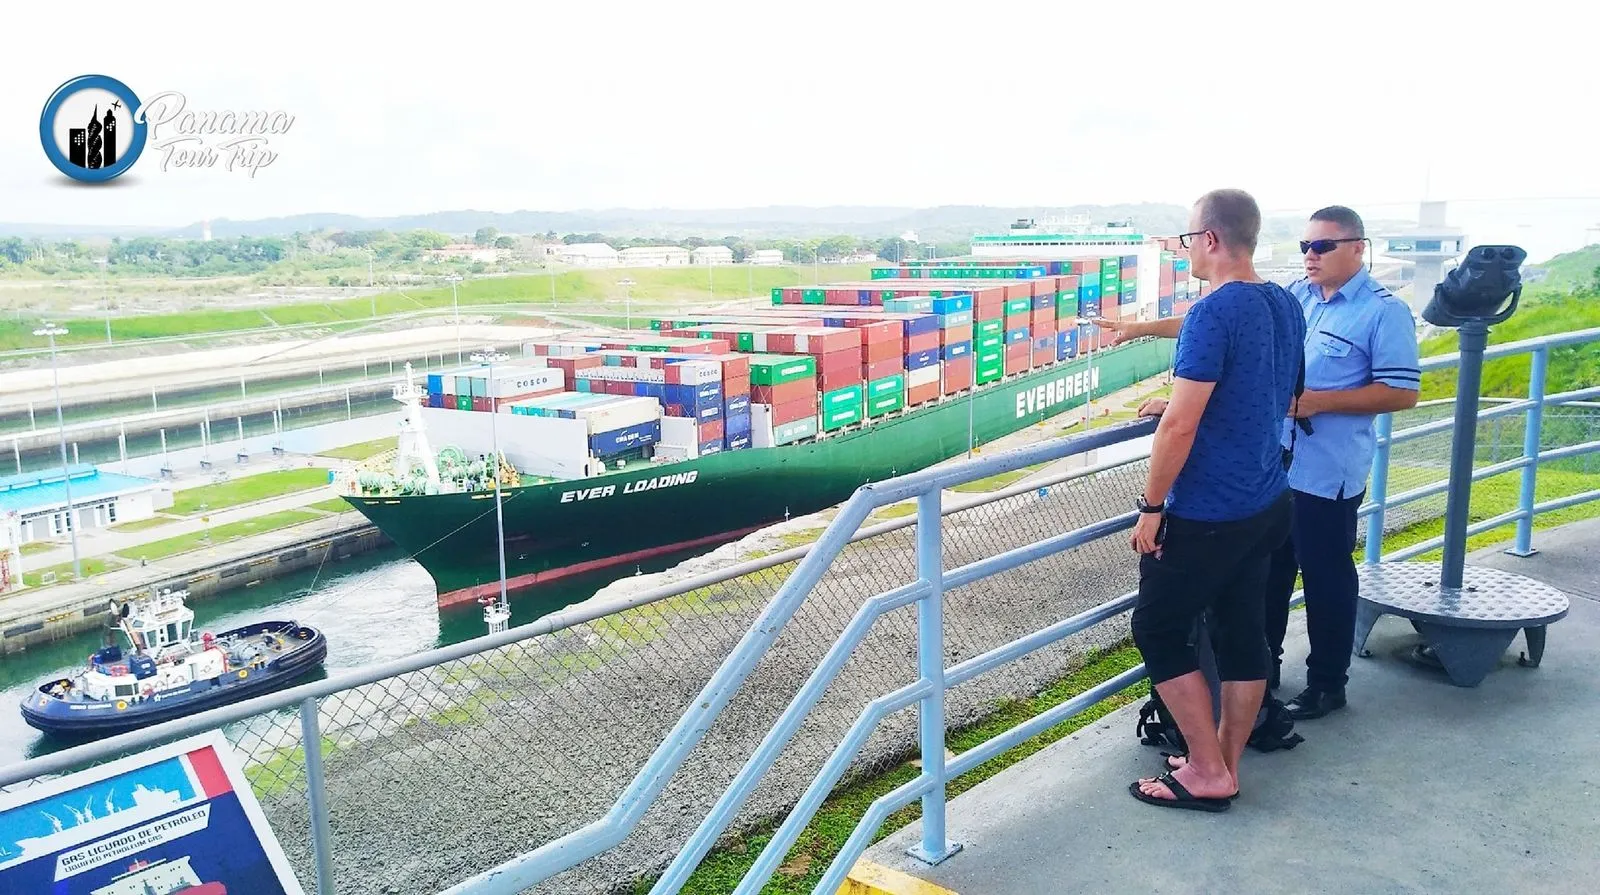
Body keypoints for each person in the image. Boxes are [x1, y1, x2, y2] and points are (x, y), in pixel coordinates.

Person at [1123, 189, 1304, 812]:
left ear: (1211, 238)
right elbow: (1275, 396)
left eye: (1185, 237)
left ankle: (1205, 771)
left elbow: (1182, 426)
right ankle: (1223, 760)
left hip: (1209, 513)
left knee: (1157, 626)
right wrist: (1176, 401)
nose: (1184, 248)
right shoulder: (1284, 303)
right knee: (1241, 630)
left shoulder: (1212, 312)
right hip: (1266, 501)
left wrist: (1151, 508)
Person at [1264, 206, 1421, 719]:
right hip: (1276, 467)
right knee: (1269, 572)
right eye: (1305, 246)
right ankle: (1262, 676)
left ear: (1358, 247)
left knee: (1327, 580)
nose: (1310, 255)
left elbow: (1402, 392)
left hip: (1328, 474)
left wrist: (1318, 401)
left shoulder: (1383, 311)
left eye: (1322, 246)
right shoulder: (1295, 297)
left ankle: (1328, 684)